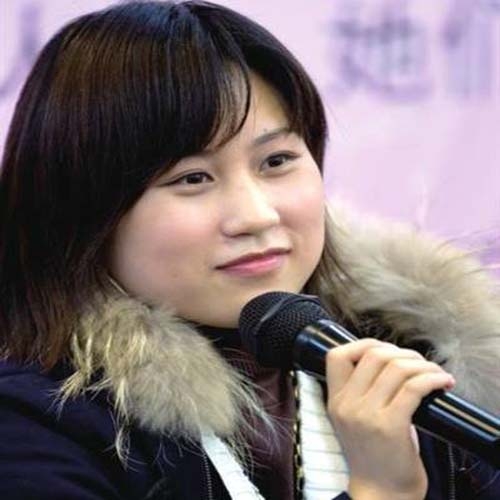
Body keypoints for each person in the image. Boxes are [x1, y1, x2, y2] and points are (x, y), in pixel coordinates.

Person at [0, 1, 499, 499]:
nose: (257, 215)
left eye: (277, 161)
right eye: (193, 178)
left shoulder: (425, 366)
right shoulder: (31, 419)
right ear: (83, 210)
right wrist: (380, 490)